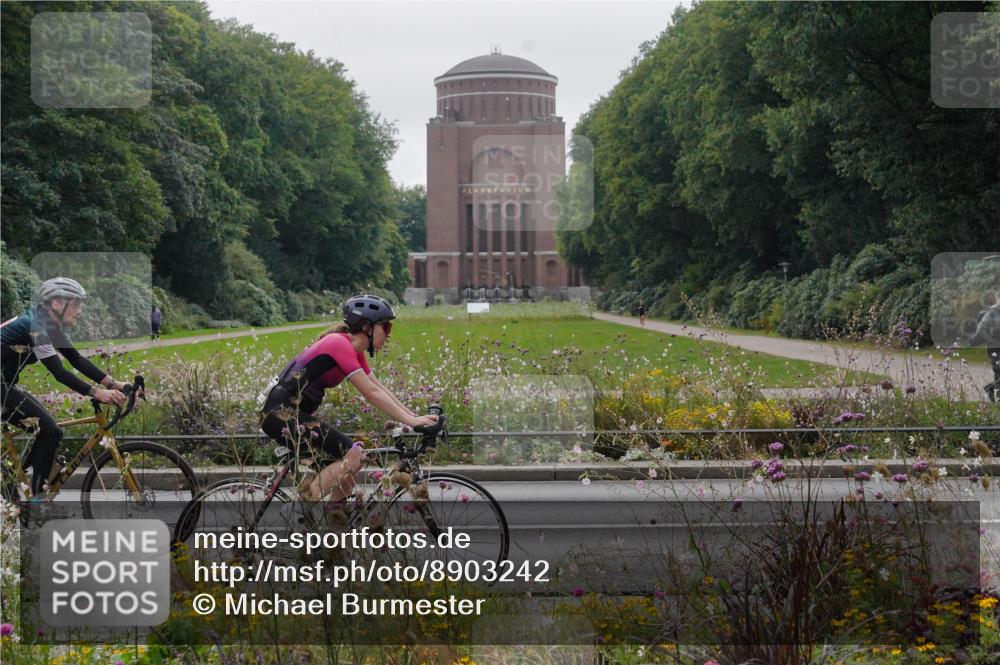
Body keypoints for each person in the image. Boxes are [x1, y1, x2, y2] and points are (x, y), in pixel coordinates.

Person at [259, 294, 438, 502]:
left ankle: (335, 531)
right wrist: (413, 421)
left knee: (346, 480)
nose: (389, 334)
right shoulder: (338, 344)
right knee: (354, 455)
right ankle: (302, 509)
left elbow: (378, 387)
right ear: (366, 327)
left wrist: (415, 417)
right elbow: (371, 394)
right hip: (280, 414)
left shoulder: (354, 349)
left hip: (295, 415)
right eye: (386, 327)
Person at [1, 278, 127, 497]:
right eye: (76, 304)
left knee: (47, 432)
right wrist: (98, 393)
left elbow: (75, 359)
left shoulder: (45, 322)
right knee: (50, 431)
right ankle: (37, 502)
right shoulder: (36, 327)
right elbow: (59, 372)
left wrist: (115, 384)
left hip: (6, 385)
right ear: (57, 303)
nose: (80, 311)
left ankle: (14, 480)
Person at [970, 289, 1000, 402]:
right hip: (995, 348)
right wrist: (974, 340)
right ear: (998, 299)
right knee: (999, 370)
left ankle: (991, 388)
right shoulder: (991, 313)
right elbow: (981, 330)